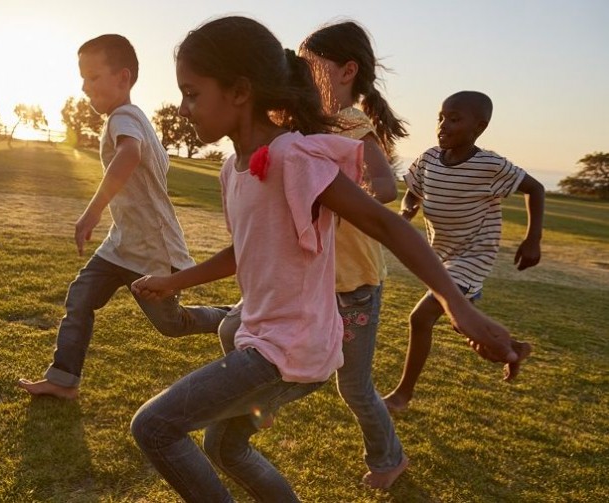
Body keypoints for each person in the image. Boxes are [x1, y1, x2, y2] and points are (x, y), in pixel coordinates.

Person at [129, 17, 520, 502]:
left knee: (154, 426)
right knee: (225, 448)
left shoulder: (295, 157)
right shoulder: (233, 170)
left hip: (289, 348)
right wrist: (175, 282)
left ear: (240, 91)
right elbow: (242, 252)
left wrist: (458, 307)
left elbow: (386, 224)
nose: (183, 108)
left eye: (192, 93)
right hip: (263, 338)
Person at [215, 19, 411, 489]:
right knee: (232, 329)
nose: (300, 73)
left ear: (347, 71)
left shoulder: (352, 124)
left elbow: (385, 187)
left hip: (351, 282)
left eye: (310, 65)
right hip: (304, 279)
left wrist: (337, 197)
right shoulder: (298, 124)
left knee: (354, 386)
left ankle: (389, 459)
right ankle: (260, 406)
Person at [17, 34, 228, 400]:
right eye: (82, 78)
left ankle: (233, 318)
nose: (85, 87)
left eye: (93, 77)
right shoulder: (136, 118)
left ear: (123, 78)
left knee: (172, 325)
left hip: (152, 251)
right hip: (121, 245)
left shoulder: (124, 117)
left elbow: (129, 154)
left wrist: (92, 212)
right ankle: (63, 379)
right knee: (80, 296)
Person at [382, 90, 541, 413]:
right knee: (461, 322)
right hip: (440, 256)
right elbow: (413, 191)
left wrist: (532, 239)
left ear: (479, 127)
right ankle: (513, 349)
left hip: (472, 256)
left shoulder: (489, 165)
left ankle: (402, 395)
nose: (443, 125)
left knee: (420, 317)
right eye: (440, 118)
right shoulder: (429, 159)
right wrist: (407, 208)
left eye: (454, 119)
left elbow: (535, 188)